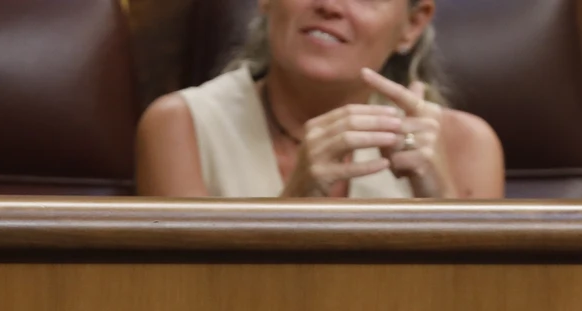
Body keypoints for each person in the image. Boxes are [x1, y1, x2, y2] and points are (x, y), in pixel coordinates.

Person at [135, 0, 503, 198]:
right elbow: (186, 304)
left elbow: (486, 310)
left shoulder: (465, 144)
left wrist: (441, 205)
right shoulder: (180, 125)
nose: (330, 5)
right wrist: (296, 204)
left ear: (412, 25)